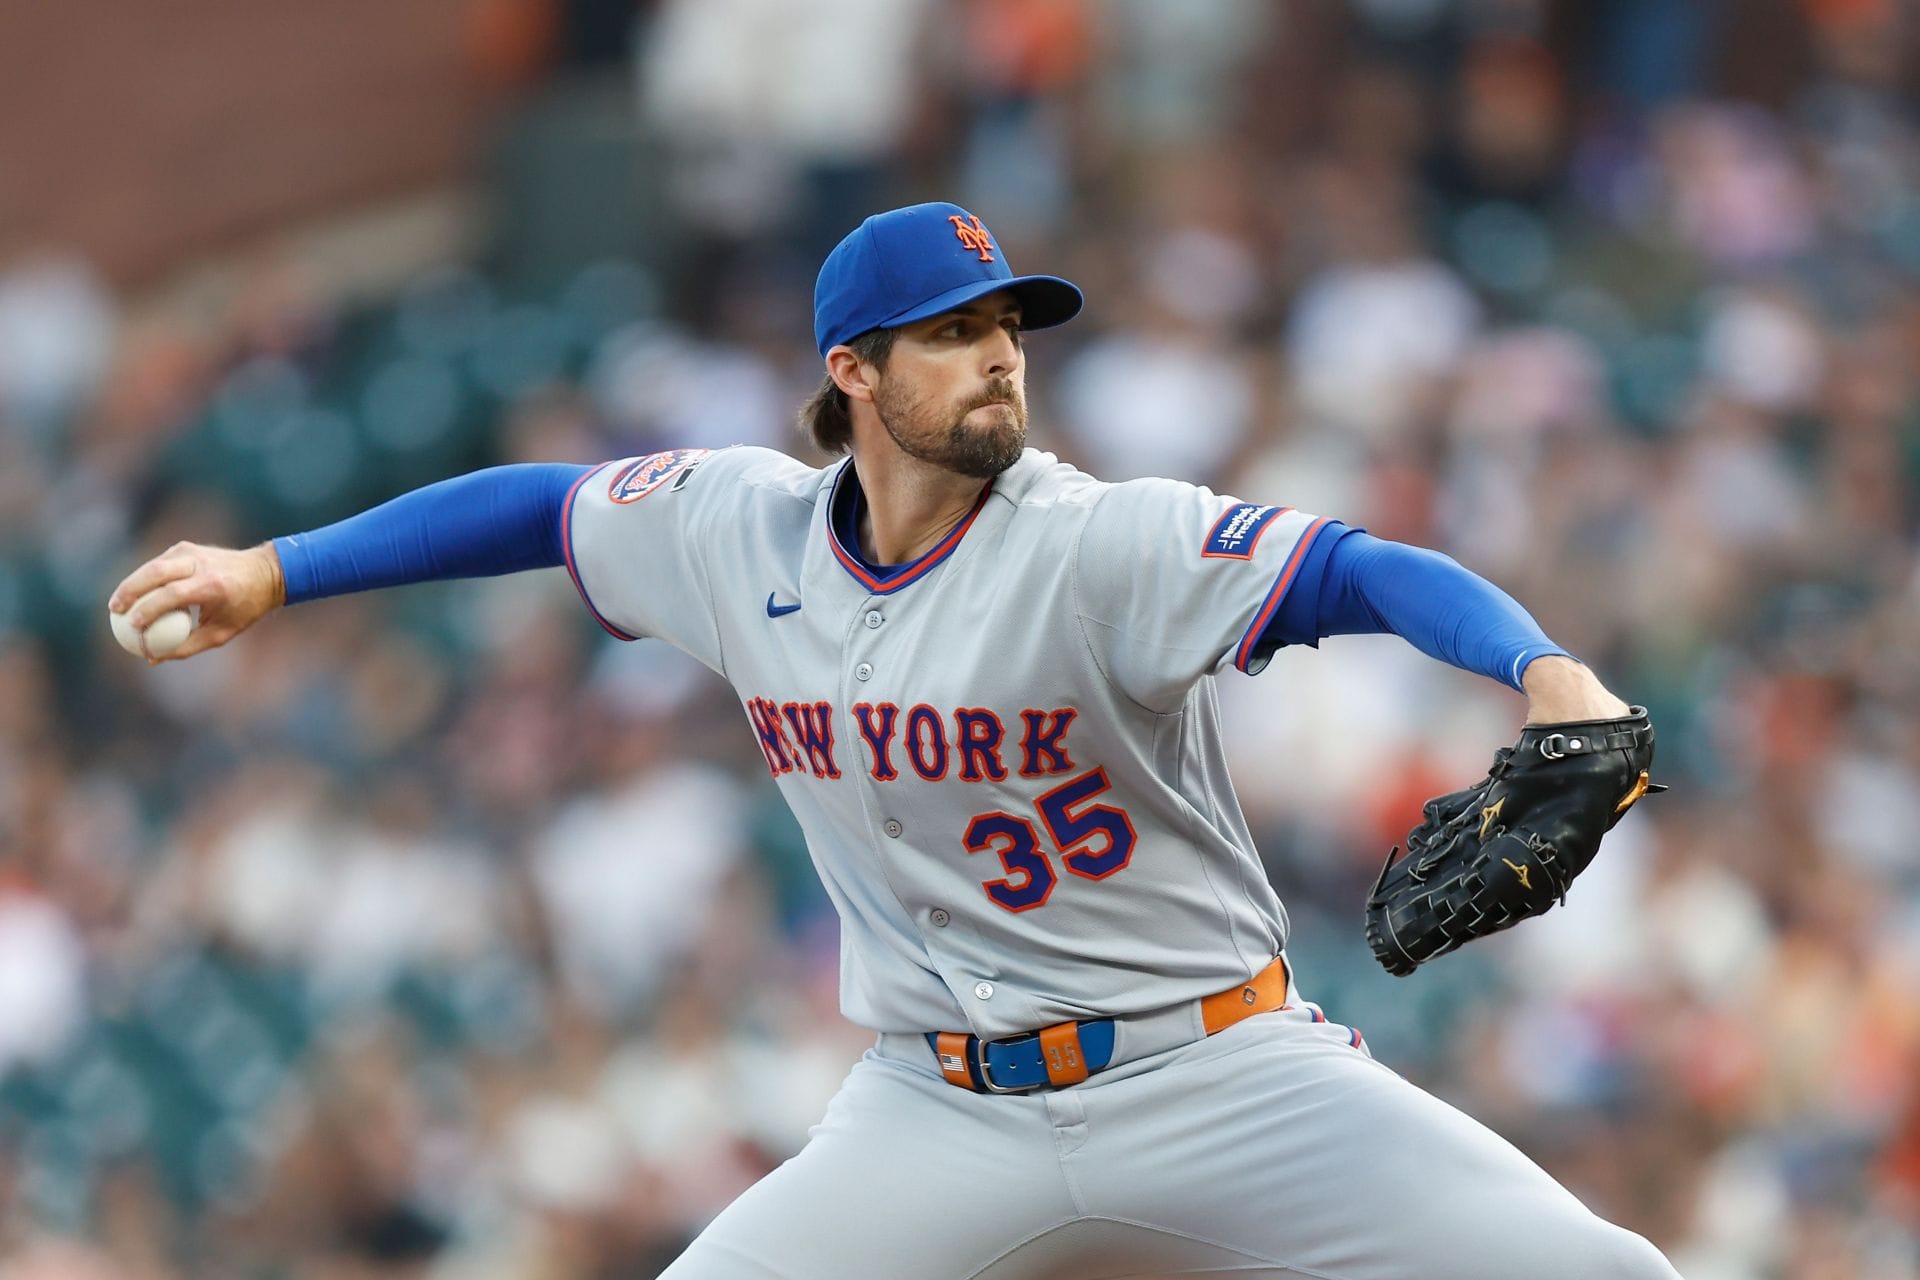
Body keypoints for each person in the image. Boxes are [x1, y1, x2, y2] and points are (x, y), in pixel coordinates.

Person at [111, 202, 1682, 1279]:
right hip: (935, 1108)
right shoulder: (736, 529)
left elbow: (1362, 569)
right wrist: (273, 570)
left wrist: (1545, 670)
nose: (1000, 351)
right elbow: (535, 503)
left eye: (1009, 322)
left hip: (1212, 1067)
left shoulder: (1100, 541)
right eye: (948, 331)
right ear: (852, 372)